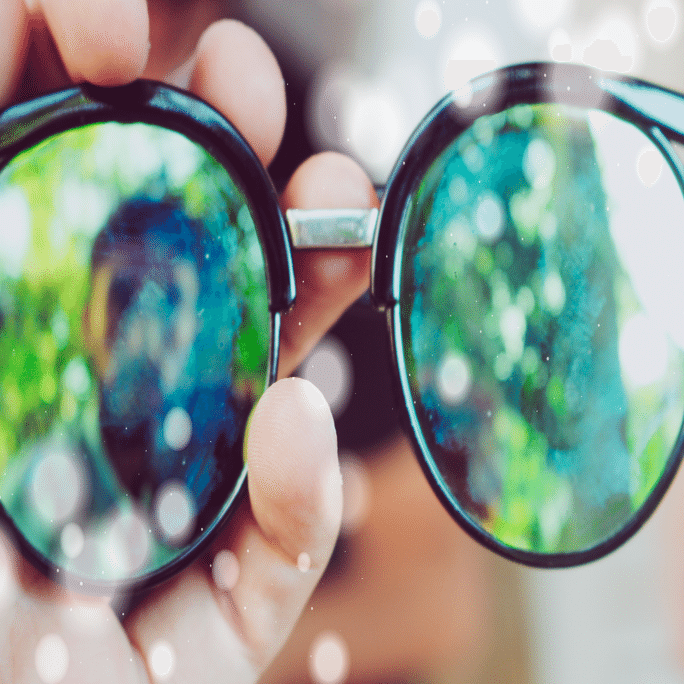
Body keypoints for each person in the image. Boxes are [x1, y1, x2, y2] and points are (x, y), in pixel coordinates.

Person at [0, 2, 531, 683]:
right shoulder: (36, 479)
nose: (146, 332)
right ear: (88, 320)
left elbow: (438, 600)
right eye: (128, 296)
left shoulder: (323, 149)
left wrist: (212, 650)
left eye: (170, 300)